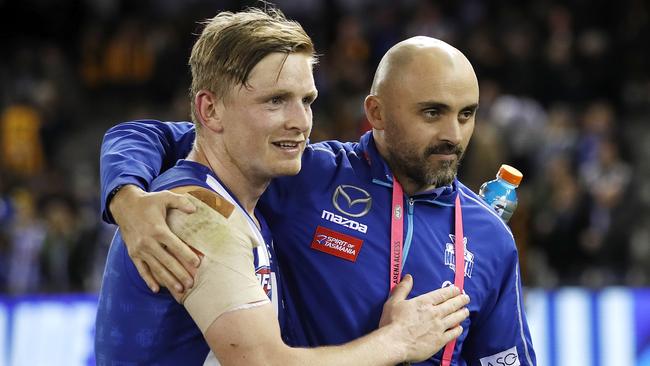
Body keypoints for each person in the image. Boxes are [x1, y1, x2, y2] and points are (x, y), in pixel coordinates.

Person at [101, 34, 537, 365]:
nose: (453, 134)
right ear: (376, 113)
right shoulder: (304, 173)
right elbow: (155, 136)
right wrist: (126, 199)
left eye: (467, 114)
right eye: (432, 112)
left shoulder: (490, 236)